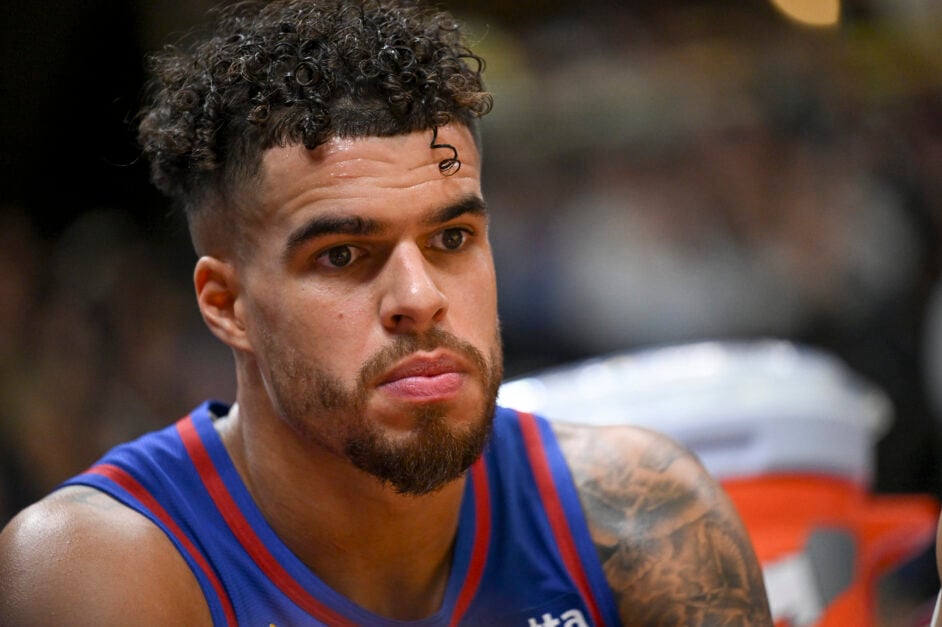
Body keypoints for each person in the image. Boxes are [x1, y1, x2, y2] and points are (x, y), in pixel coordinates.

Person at [0, 1, 773, 624]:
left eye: (452, 237)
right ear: (226, 304)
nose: (420, 297)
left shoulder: (641, 517)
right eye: (342, 254)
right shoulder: (99, 568)